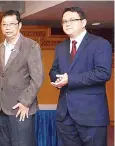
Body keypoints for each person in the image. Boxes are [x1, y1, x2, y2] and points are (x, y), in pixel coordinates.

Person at [49, 7, 112, 146]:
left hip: (92, 115)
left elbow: (103, 73)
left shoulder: (100, 44)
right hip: (65, 115)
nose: (67, 24)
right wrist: (57, 79)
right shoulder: (61, 47)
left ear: (83, 22)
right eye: (64, 21)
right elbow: (54, 70)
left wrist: (69, 79)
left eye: (72, 20)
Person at [0, 10, 44, 146]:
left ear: (19, 25)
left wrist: (26, 102)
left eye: (11, 24)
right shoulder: (0, 47)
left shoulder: (31, 46)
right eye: (4, 24)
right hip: (0, 108)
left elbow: (37, 78)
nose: (7, 27)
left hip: (20, 108)